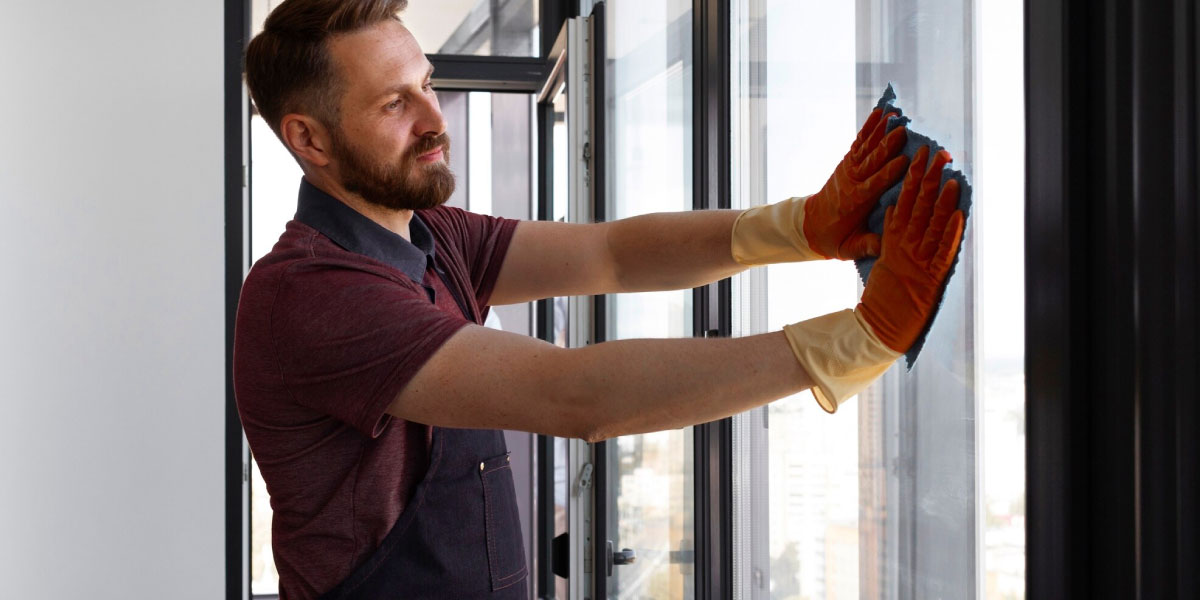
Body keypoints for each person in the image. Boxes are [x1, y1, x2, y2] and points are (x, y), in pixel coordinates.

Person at [234, 1, 965, 598]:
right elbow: (573, 396)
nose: (434, 120)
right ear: (310, 140)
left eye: (427, 83)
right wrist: (852, 342)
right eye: (396, 103)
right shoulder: (308, 293)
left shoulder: (430, 235)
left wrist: (801, 225)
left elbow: (611, 253)